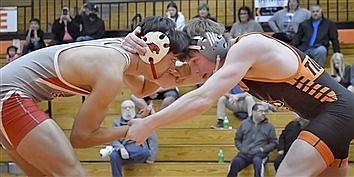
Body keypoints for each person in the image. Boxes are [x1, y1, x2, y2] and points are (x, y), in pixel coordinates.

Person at [123, 18, 354, 177]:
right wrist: (129, 55)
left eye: (193, 61)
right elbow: (146, 86)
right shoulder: (226, 65)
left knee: (287, 173)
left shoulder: (247, 47)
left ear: (211, 46)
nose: (193, 70)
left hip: (337, 111)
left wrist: (150, 122)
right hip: (330, 119)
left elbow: (202, 98)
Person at [0, 16, 189, 176]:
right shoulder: (111, 70)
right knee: (74, 174)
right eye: (172, 60)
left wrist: (188, 75)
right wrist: (132, 129)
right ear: (155, 49)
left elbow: (142, 89)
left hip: (8, 95)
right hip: (8, 95)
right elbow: (81, 137)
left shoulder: (120, 54)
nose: (173, 69)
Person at [109, 100, 158, 177]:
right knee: (113, 155)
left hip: (139, 149)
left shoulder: (142, 121)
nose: (128, 109)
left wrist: (151, 157)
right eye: (125, 108)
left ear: (134, 109)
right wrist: (121, 148)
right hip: (123, 150)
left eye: (130, 107)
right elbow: (113, 138)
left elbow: (152, 139)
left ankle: (122, 158)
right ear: (121, 110)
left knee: (144, 152)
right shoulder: (116, 123)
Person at [227, 103, 277, 177]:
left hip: (260, 154)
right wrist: (241, 148)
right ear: (254, 112)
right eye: (261, 111)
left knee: (257, 162)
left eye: (265, 111)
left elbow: (274, 143)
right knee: (235, 162)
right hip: (244, 153)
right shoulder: (244, 124)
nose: (263, 113)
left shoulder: (269, 127)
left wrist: (263, 149)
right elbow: (237, 139)